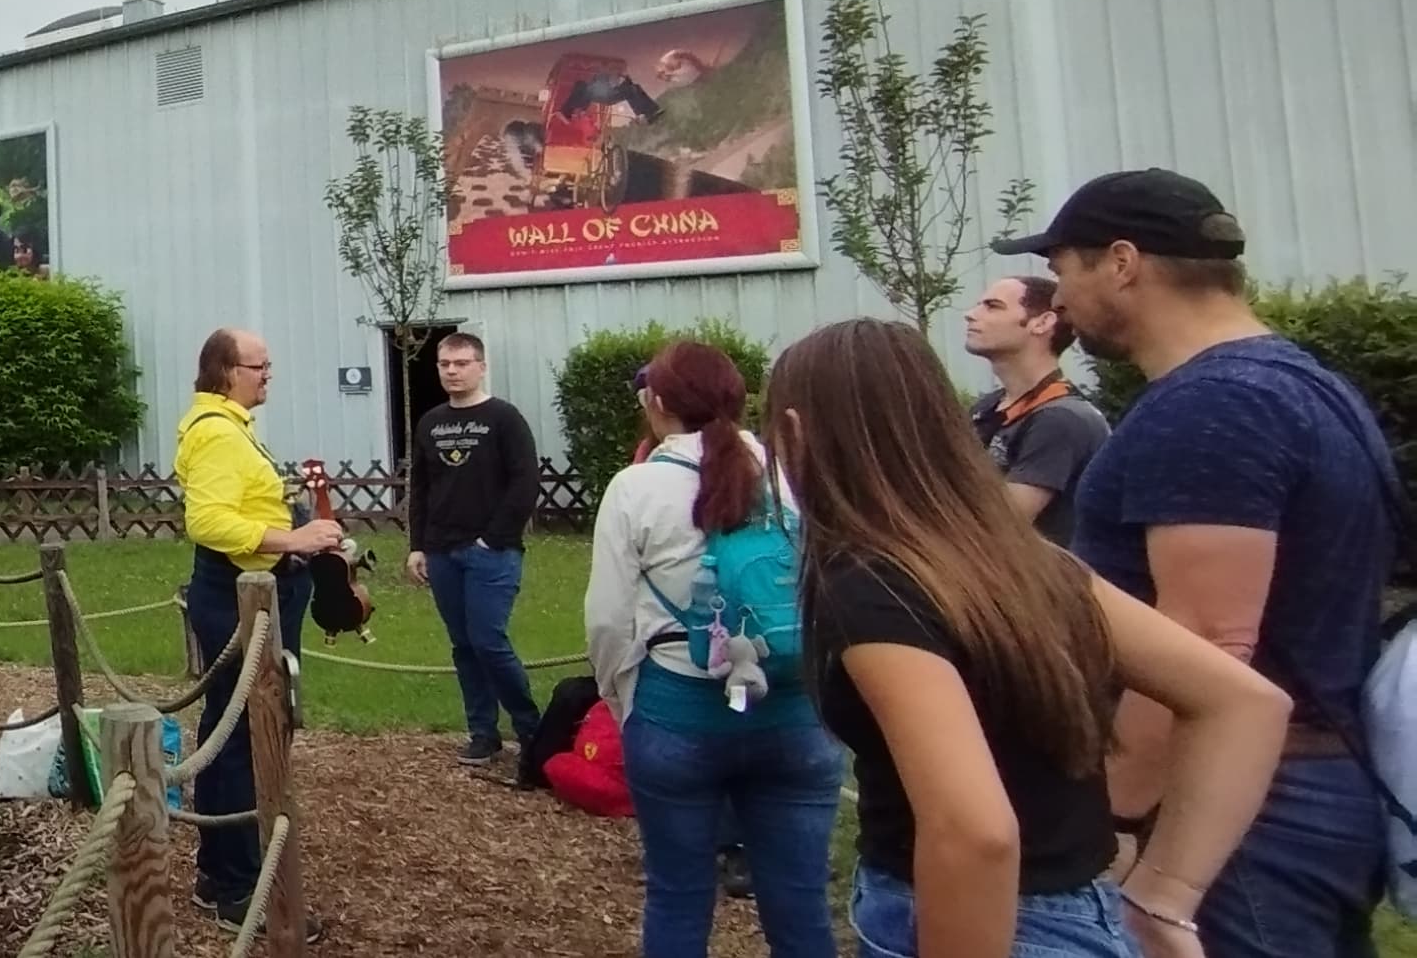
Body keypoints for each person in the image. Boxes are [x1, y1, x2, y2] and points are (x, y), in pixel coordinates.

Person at [772, 317, 1290, 958]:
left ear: (796, 434)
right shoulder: (1035, 564)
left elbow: (976, 832)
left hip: (974, 922)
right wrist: (1169, 893)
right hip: (1081, 913)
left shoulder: (870, 587)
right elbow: (1244, 702)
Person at [997, 168, 1398, 957]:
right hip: (1299, 794)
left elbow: (1206, 644)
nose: (1059, 297)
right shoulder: (1304, 384)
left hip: (1238, 816)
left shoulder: (1215, 408)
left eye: (1063, 268)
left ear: (1121, 262)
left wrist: (1119, 823)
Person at [586, 341, 841, 958]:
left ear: (660, 402)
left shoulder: (637, 487)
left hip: (680, 708)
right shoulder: (790, 472)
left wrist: (626, 702)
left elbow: (609, 619)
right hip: (792, 705)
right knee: (802, 904)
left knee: (678, 896)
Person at [177, 327, 339, 941]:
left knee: (238, 729)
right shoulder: (218, 432)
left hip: (256, 587)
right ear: (225, 370)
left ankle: (223, 873)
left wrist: (296, 518)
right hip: (240, 592)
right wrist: (293, 540)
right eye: (259, 365)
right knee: (246, 735)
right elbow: (210, 520)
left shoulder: (229, 425)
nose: (268, 373)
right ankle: (237, 886)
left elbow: (238, 503)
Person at [405, 330, 546, 763]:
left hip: (492, 553)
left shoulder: (504, 419)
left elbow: (525, 482)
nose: (452, 371)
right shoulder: (430, 422)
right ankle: (482, 733)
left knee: (488, 640)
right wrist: (418, 546)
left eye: (461, 363)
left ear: (481, 367)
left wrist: (493, 539)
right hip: (442, 552)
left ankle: (532, 732)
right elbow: (423, 489)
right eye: (445, 364)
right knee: (463, 645)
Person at [960, 274, 1111, 542]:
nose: (970, 315)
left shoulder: (1061, 419)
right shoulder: (988, 408)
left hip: (1046, 581)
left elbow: (996, 526)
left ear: (1042, 323)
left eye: (992, 306)